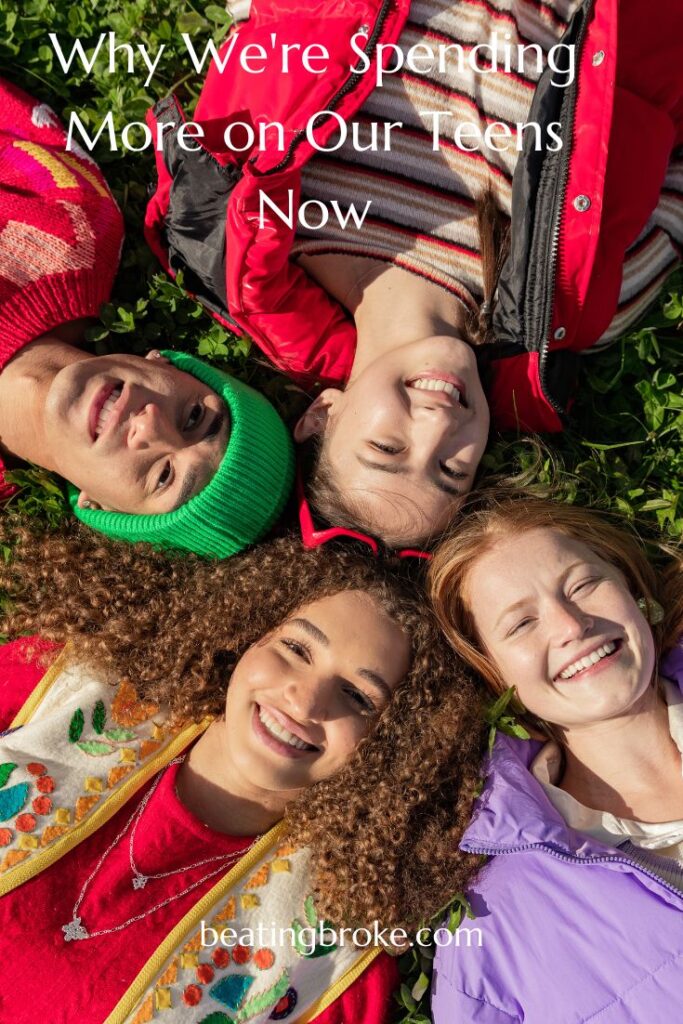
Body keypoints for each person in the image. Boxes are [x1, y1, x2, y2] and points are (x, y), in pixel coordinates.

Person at [145, 0, 683, 548]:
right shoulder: (583, 301)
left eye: (388, 449)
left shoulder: (251, 215)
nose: (437, 425)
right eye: (451, 471)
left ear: (323, 415)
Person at [0, 523, 485, 1024]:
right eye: (296, 650)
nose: (305, 700)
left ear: (389, 747)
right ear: (246, 634)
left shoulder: (332, 960)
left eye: (358, 697)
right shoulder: (64, 688)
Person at [0, 77, 294, 558]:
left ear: (102, 510)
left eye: (163, 476)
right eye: (195, 415)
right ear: (168, 364)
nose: (151, 421)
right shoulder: (71, 221)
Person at [427, 494, 683, 1023]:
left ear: (635, 590)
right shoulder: (491, 933)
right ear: (495, 676)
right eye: (520, 624)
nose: (571, 625)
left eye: (584, 585)